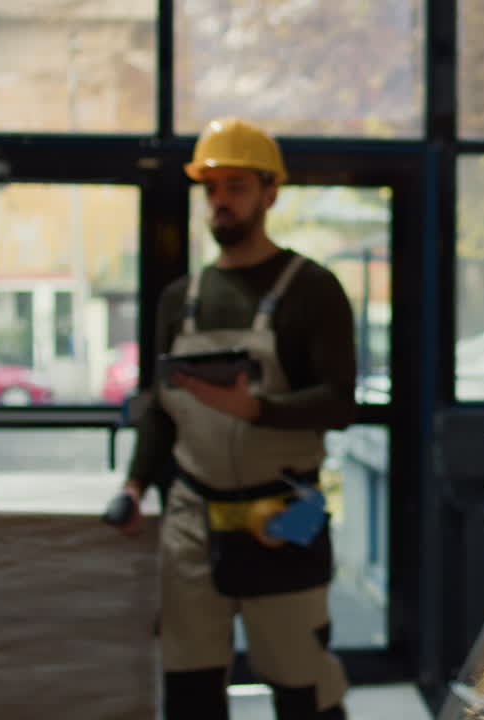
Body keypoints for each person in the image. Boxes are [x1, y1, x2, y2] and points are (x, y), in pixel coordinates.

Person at [117, 117, 356, 720]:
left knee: (303, 683)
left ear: (270, 192)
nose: (220, 202)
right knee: (189, 683)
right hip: (191, 516)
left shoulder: (312, 290)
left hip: (282, 512)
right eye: (212, 188)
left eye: (236, 187)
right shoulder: (180, 299)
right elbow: (160, 408)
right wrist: (134, 484)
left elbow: (340, 401)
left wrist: (256, 409)